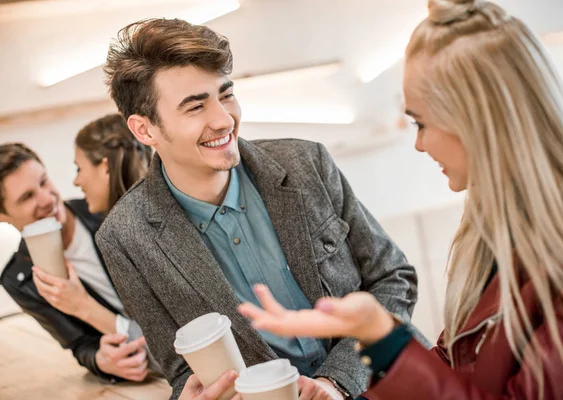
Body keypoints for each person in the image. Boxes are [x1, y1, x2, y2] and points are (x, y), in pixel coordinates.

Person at [238, 0, 563, 399]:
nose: (418, 144)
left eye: (421, 122)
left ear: (476, 121)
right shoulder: (494, 234)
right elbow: (454, 362)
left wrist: (383, 338)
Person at [96, 18, 424, 400]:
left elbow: (393, 278)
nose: (223, 119)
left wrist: (336, 382)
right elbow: (181, 367)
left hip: (385, 383)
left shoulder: (307, 163)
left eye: (226, 94)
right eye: (195, 107)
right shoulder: (123, 238)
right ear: (144, 130)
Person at [0, 114, 155, 383]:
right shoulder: (19, 280)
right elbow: (79, 345)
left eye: (43, 182)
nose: (47, 200)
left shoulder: (106, 209)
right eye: (27, 197)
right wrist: (101, 361)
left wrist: (82, 306)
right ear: (0, 216)